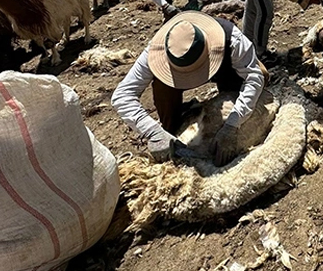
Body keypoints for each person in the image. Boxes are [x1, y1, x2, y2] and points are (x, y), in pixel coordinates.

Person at [111, 12, 266, 165]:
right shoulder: (156, 50)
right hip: (173, 80)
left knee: (261, 75)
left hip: (225, 69)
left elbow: (253, 77)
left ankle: (231, 109)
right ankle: (171, 131)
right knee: (161, 86)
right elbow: (122, 95)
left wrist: (232, 124)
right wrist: (153, 132)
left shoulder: (231, 38)